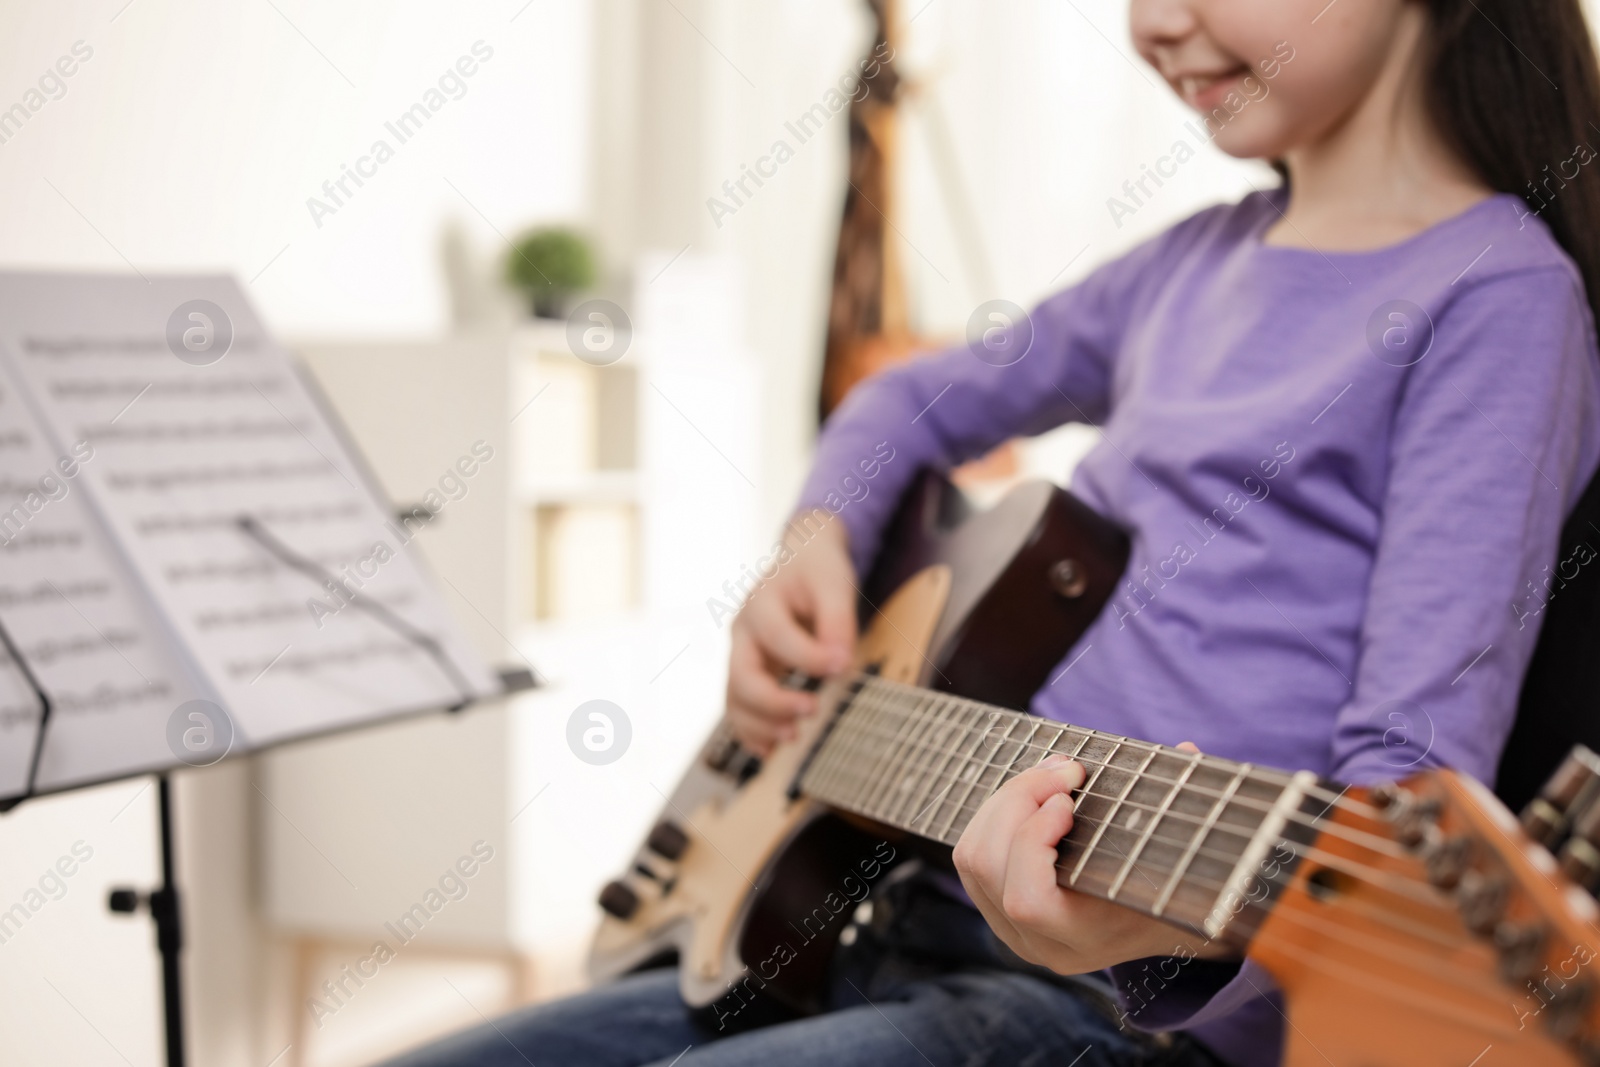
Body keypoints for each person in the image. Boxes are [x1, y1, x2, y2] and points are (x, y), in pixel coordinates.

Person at [385, 0, 1600, 1063]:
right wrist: (813, 537)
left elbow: (1404, 788)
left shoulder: (1493, 295)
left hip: (1097, 1013)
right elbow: (905, 396)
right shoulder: (1187, 262)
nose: (1150, 23)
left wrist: (1161, 928)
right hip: (885, 908)